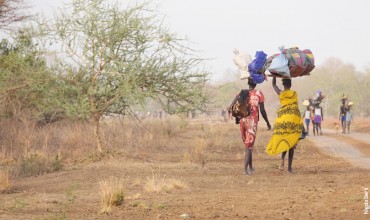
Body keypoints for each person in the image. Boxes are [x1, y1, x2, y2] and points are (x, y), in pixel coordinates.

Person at [266, 77, 304, 173]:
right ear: (290, 85)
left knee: (284, 141)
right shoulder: (294, 94)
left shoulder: (281, 93)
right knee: (291, 143)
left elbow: (274, 85)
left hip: (283, 120)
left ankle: (282, 160)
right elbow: (296, 108)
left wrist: (274, 75)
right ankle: (289, 168)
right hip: (292, 120)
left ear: (283, 84)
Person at [240, 78, 271, 176]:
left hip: (243, 120)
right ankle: (245, 170)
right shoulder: (258, 93)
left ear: (248, 83)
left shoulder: (243, 92)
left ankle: (250, 167)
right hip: (252, 122)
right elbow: (262, 110)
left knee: (248, 145)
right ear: (256, 83)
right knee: (249, 147)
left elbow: (234, 103)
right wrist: (267, 122)